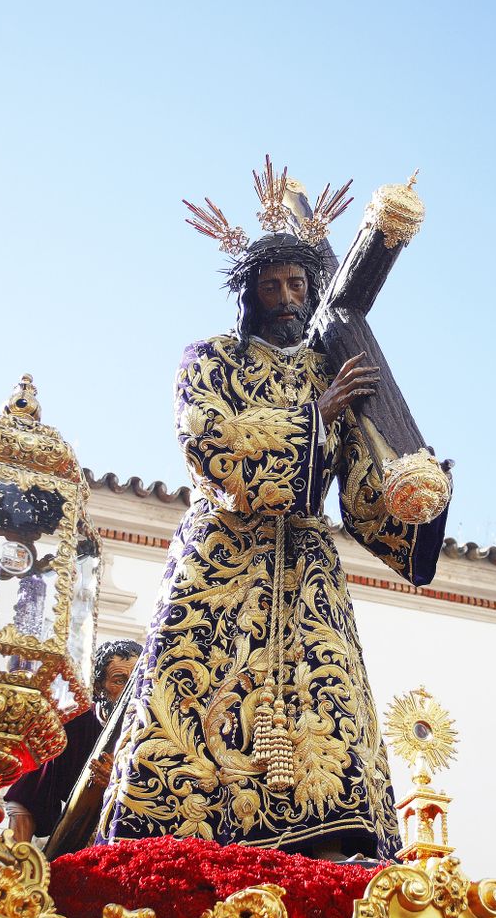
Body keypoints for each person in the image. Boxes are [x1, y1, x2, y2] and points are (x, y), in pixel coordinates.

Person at [95, 221, 449, 860]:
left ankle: (335, 844)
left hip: (308, 564)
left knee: (328, 691)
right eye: (272, 285)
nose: (287, 298)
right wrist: (317, 418)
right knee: (195, 695)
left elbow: (361, 484)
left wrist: (410, 490)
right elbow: (211, 444)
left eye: (297, 284)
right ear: (250, 295)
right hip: (222, 560)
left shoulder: (330, 368)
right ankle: (173, 839)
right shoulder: (212, 358)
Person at [3, 639, 140, 842]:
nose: (130, 691)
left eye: (136, 681)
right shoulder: (73, 725)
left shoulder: (152, 731)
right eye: (120, 681)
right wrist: (19, 862)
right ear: (98, 687)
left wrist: (119, 781)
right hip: (78, 841)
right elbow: (28, 796)